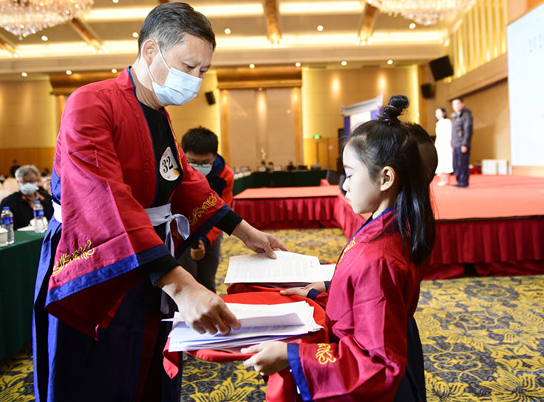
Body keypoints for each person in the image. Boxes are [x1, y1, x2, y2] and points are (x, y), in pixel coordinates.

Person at [32, 2, 286, 402]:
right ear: (151, 50)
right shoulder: (90, 103)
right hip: (101, 259)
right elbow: (104, 200)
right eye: (189, 66)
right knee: (101, 373)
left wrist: (242, 229)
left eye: (203, 71)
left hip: (150, 255)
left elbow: (181, 179)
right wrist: (181, 285)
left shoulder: (157, 112)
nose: (195, 80)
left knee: (148, 360)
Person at [242, 95, 435, 402]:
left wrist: (292, 356)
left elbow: (377, 364)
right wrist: (318, 294)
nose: (344, 185)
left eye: (351, 174)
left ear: (386, 177)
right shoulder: (388, 227)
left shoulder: (379, 258)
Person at [177, 127, 234, 293]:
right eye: (193, 161)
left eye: (205, 163)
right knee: (187, 280)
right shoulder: (176, 170)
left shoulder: (225, 175)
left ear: (214, 156)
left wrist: (204, 239)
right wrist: (191, 238)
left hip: (212, 230)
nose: (198, 167)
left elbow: (223, 211)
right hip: (182, 231)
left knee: (207, 279)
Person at [0, 164, 54, 229]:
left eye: (31, 181)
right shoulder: (8, 202)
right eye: (24, 181)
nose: (28, 184)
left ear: (38, 181)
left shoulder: (47, 198)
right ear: (18, 182)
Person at [450, 97, 473, 188]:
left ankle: (463, 182)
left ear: (462, 104)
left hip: (462, 144)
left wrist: (465, 144)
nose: (455, 106)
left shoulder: (466, 115)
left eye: (457, 104)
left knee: (462, 164)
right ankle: (459, 181)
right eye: (454, 104)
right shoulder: (454, 117)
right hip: (455, 144)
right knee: (456, 165)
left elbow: (468, 130)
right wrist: (452, 145)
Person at [434, 108, 453, 186]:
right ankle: (442, 179)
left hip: (446, 143)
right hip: (439, 144)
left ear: (444, 113)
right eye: (436, 113)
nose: (437, 114)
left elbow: (450, 133)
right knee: (440, 161)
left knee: (446, 161)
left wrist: (451, 144)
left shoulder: (447, 121)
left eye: (439, 112)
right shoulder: (438, 123)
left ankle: (446, 180)